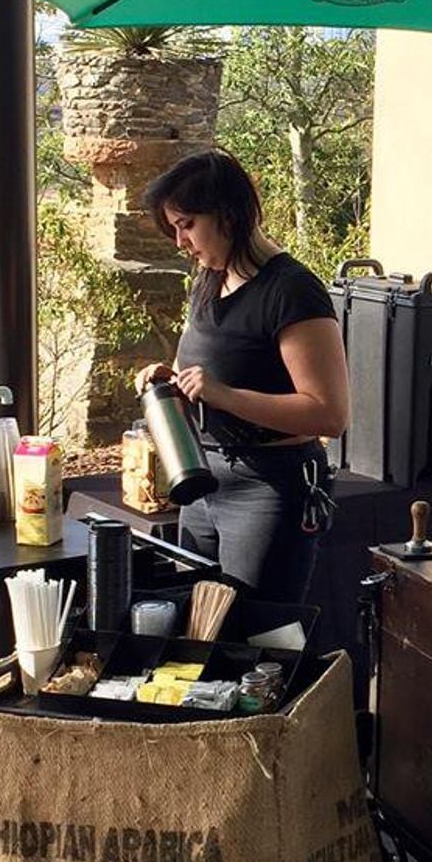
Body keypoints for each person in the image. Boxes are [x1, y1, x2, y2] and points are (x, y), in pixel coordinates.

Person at [134, 150, 349, 601]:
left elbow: (328, 414)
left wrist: (223, 394)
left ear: (228, 215)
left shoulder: (292, 290)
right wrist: (171, 381)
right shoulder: (209, 279)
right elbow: (208, 367)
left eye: (187, 225)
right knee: (197, 622)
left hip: (268, 489)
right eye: (174, 228)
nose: (180, 242)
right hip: (201, 480)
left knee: (258, 630)